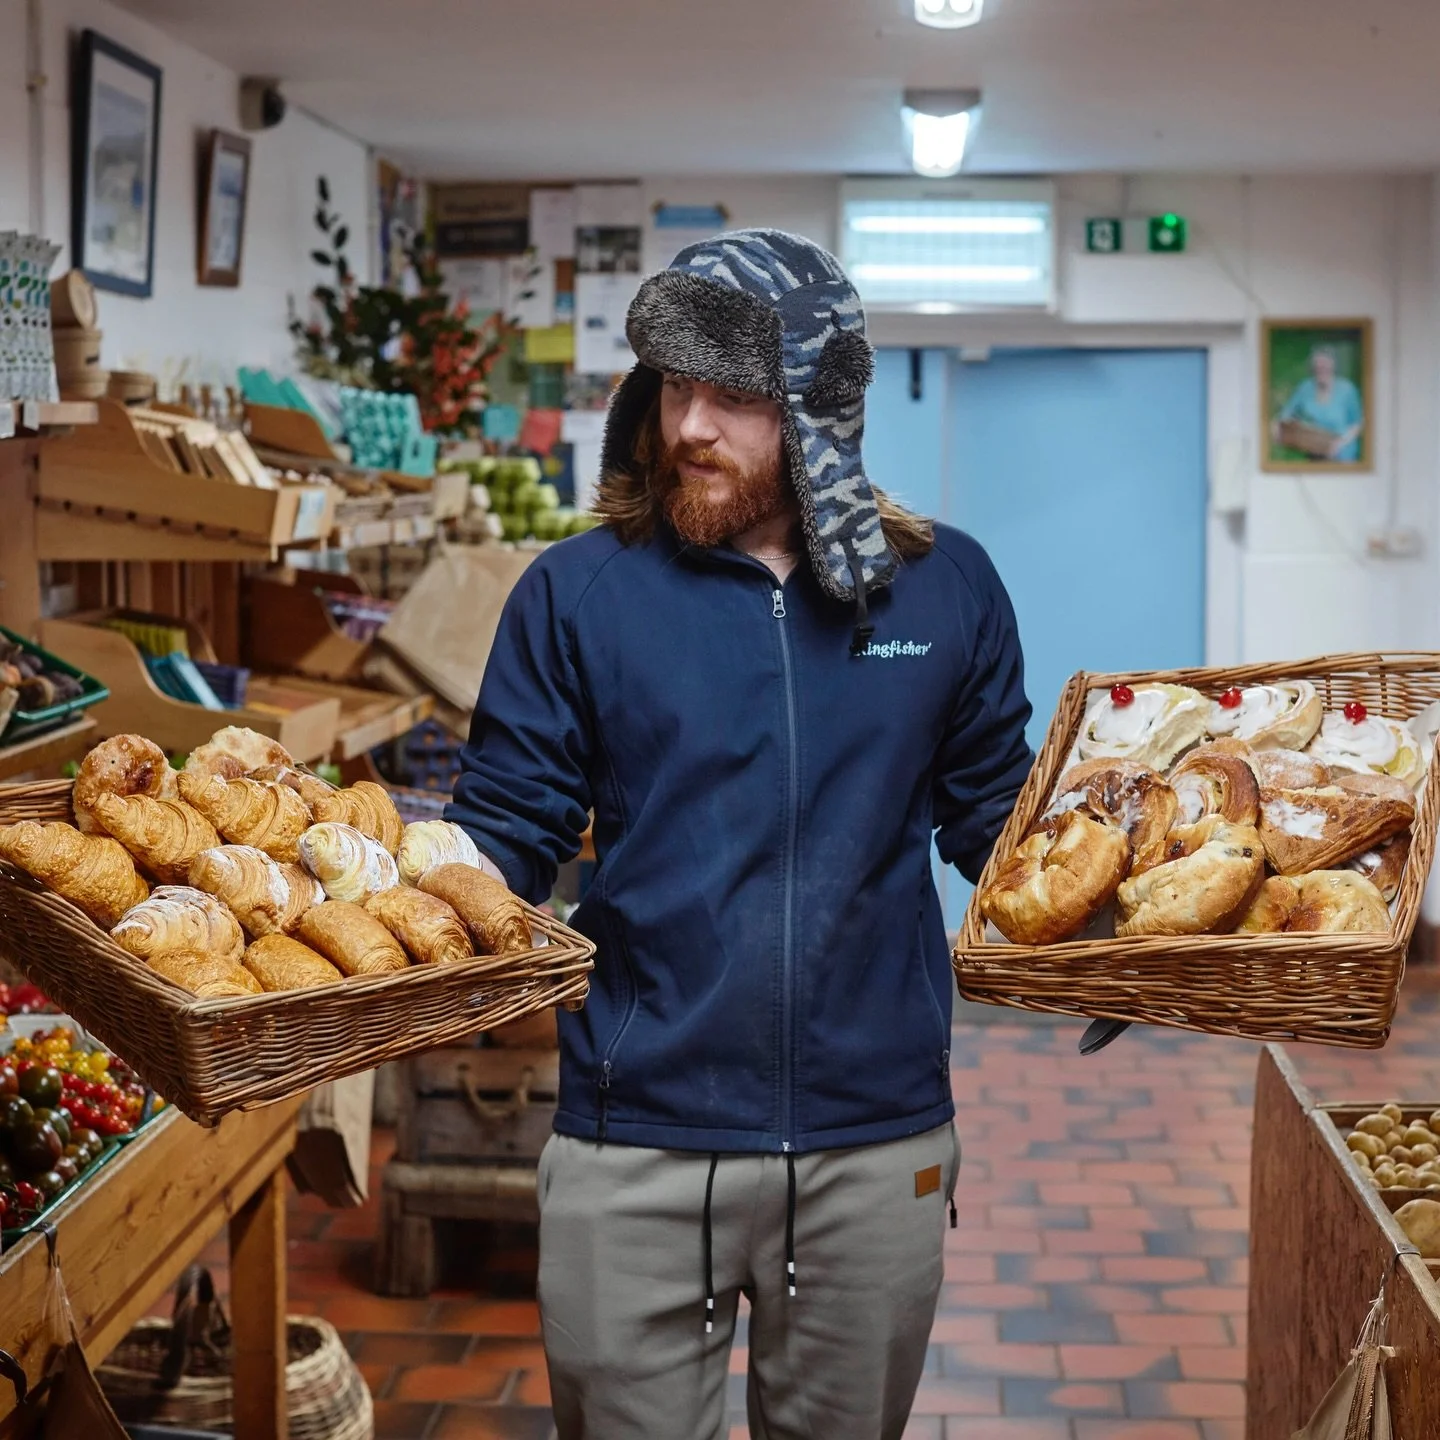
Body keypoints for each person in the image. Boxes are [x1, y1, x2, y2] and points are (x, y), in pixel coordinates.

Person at [446, 229, 1033, 1440]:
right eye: (673, 389)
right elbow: (504, 826)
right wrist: (382, 920)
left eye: (732, 398)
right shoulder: (578, 593)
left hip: (875, 1139)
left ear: (822, 408)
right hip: (635, 1140)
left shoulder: (945, 589)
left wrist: (1132, 936)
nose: (689, 428)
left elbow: (999, 822)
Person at [1274, 343, 1364, 461]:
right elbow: (1286, 413)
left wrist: (1340, 443)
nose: (1321, 370)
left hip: (1343, 457)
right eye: (1318, 367)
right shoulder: (1305, 388)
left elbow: (1358, 424)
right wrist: (1277, 426)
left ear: (1333, 367)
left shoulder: (1347, 390)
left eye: (1325, 366)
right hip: (1314, 454)